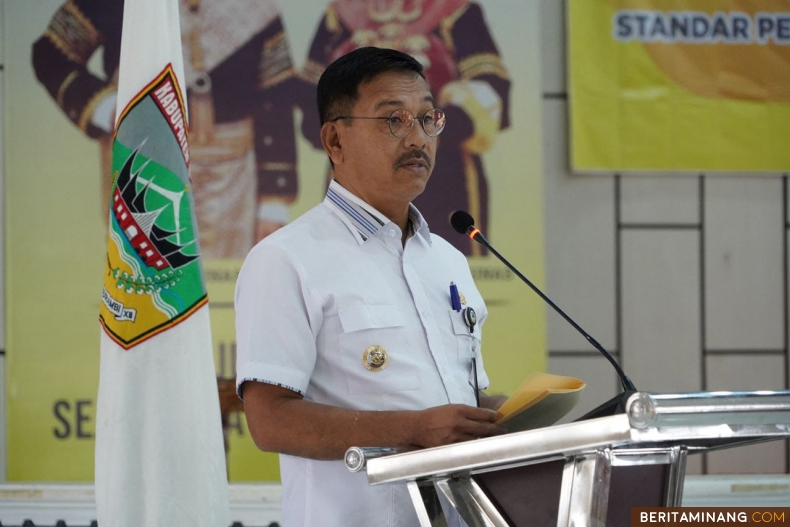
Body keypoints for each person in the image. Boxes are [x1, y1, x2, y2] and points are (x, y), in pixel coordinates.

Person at [235, 47, 506, 527]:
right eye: (394, 120)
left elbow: (457, 402)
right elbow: (270, 420)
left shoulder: (447, 260)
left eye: (427, 118)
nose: (418, 138)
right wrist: (416, 429)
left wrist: (508, 415)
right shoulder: (285, 259)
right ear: (335, 140)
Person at [31, 0, 299, 258]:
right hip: (142, 164)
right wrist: (110, 109)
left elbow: (275, 101)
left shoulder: (256, 6)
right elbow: (52, 53)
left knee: (229, 290)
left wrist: (273, 206)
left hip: (231, 183)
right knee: (149, 287)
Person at [297, 0, 511, 256]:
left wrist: (431, 126)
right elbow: (313, 101)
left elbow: (490, 87)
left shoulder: (455, 10)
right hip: (358, 169)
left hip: (446, 172)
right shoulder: (342, 12)